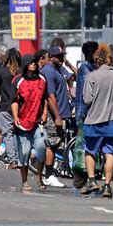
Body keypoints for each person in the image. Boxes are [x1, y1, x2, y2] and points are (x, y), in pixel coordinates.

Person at [80, 45, 113, 198]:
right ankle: (107, 185)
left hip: (94, 119)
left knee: (90, 151)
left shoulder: (92, 76)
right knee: (110, 153)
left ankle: (92, 179)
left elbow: (87, 100)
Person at [11, 54, 48, 192]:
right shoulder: (18, 80)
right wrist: (15, 116)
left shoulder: (42, 78)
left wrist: (44, 113)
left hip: (38, 121)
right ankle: (24, 180)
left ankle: (39, 176)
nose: (33, 64)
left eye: (35, 62)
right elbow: (14, 100)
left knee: (41, 148)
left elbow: (45, 98)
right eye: (31, 63)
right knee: (24, 152)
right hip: (23, 122)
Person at [40, 46, 71, 188]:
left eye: (62, 56)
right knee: (51, 145)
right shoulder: (48, 72)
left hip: (62, 113)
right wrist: (57, 116)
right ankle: (48, 174)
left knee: (55, 143)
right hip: (54, 115)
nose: (61, 59)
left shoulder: (56, 70)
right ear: (51, 57)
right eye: (58, 56)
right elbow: (50, 96)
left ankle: (48, 173)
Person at [73, 41, 99, 189]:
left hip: (94, 114)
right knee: (83, 147)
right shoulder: (85, 68)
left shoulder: (94, 68)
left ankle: (86, 178)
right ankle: (80, 179)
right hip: (86, 114)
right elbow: (84, 94)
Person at [0, 48, 21, 165]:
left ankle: (13, 159)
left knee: (8, 133)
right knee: (20, 133)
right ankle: (22, 159)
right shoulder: (21, 72)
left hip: (5, 106)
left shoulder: (1, 71)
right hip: (19, 106)